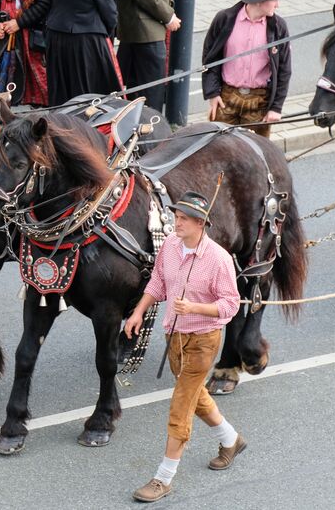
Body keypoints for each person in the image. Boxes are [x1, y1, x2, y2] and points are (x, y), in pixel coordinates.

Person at [124, 191, 242, 503]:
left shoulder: (218, 259)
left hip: (203, 341)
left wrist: (194, 309)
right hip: (173, 338)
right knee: (195, 395)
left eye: (183, 219)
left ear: (200, 223)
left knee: (181, 405)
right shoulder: (171, 248)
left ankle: (163, 478)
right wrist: (137, 312)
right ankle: (231, 439)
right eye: (175, 217)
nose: (176, 223)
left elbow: (230, 305)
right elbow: (158, 284)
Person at [201, 0, 290, 139]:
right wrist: (213, 94)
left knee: (257, 158)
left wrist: (276, 108)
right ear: (259, 1)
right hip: (226, 98)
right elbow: (209, 58)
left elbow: (284, 70)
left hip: (260, 101)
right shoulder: (224, 19)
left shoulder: (279, 27)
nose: (277, 5)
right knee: (218, 152)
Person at [44, 0, 121, 106]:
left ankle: (60, 123)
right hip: (84, 41)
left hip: (56, 36)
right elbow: (111, 16)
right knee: (87, 94)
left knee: (61, 93)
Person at [114, 0, 180, 112]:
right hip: (144, 30)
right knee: (151, 98)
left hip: (143, 30)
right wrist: (167, 15)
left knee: (140, 97)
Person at [0, 0, 52, 106]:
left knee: (33, 72)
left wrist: (19, 22)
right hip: (3, 30)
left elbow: (44, 2)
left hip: (28, 30)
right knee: (0, 67)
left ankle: (34, 106)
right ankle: (1, 103)